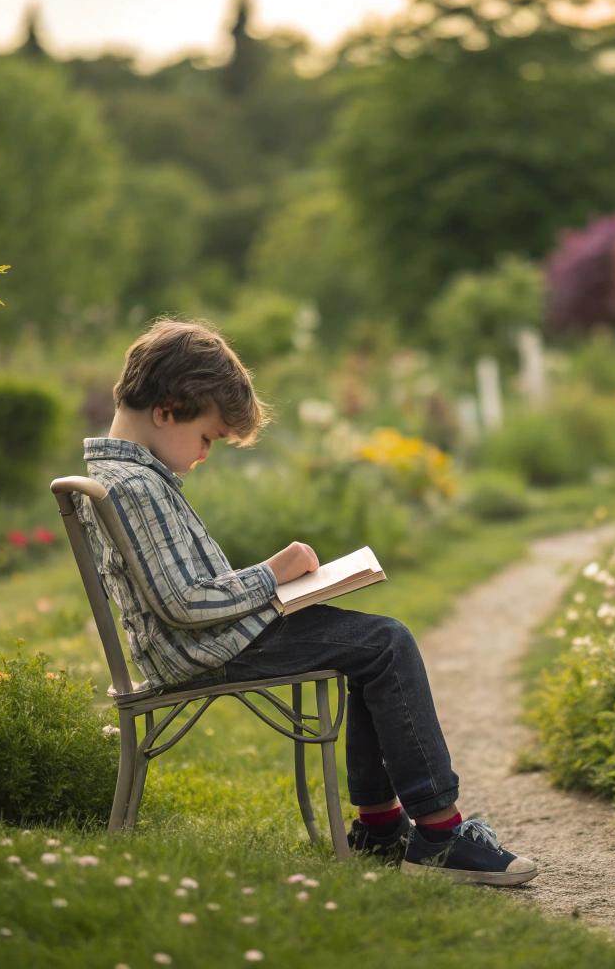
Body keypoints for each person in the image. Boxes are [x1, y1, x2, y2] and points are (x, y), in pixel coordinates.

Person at [75, 316, 537, 886]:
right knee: (387, 643)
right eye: (208, 437)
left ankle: (380, 826)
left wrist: (279, 586)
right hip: (206, 648)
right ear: (168, 409)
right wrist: (273, 575)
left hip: (209, 640)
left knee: (372, 647)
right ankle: (440, 836)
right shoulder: (134, 486)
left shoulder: (127, 474)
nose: (204, 454)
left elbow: (183, 595)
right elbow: (186, 605)